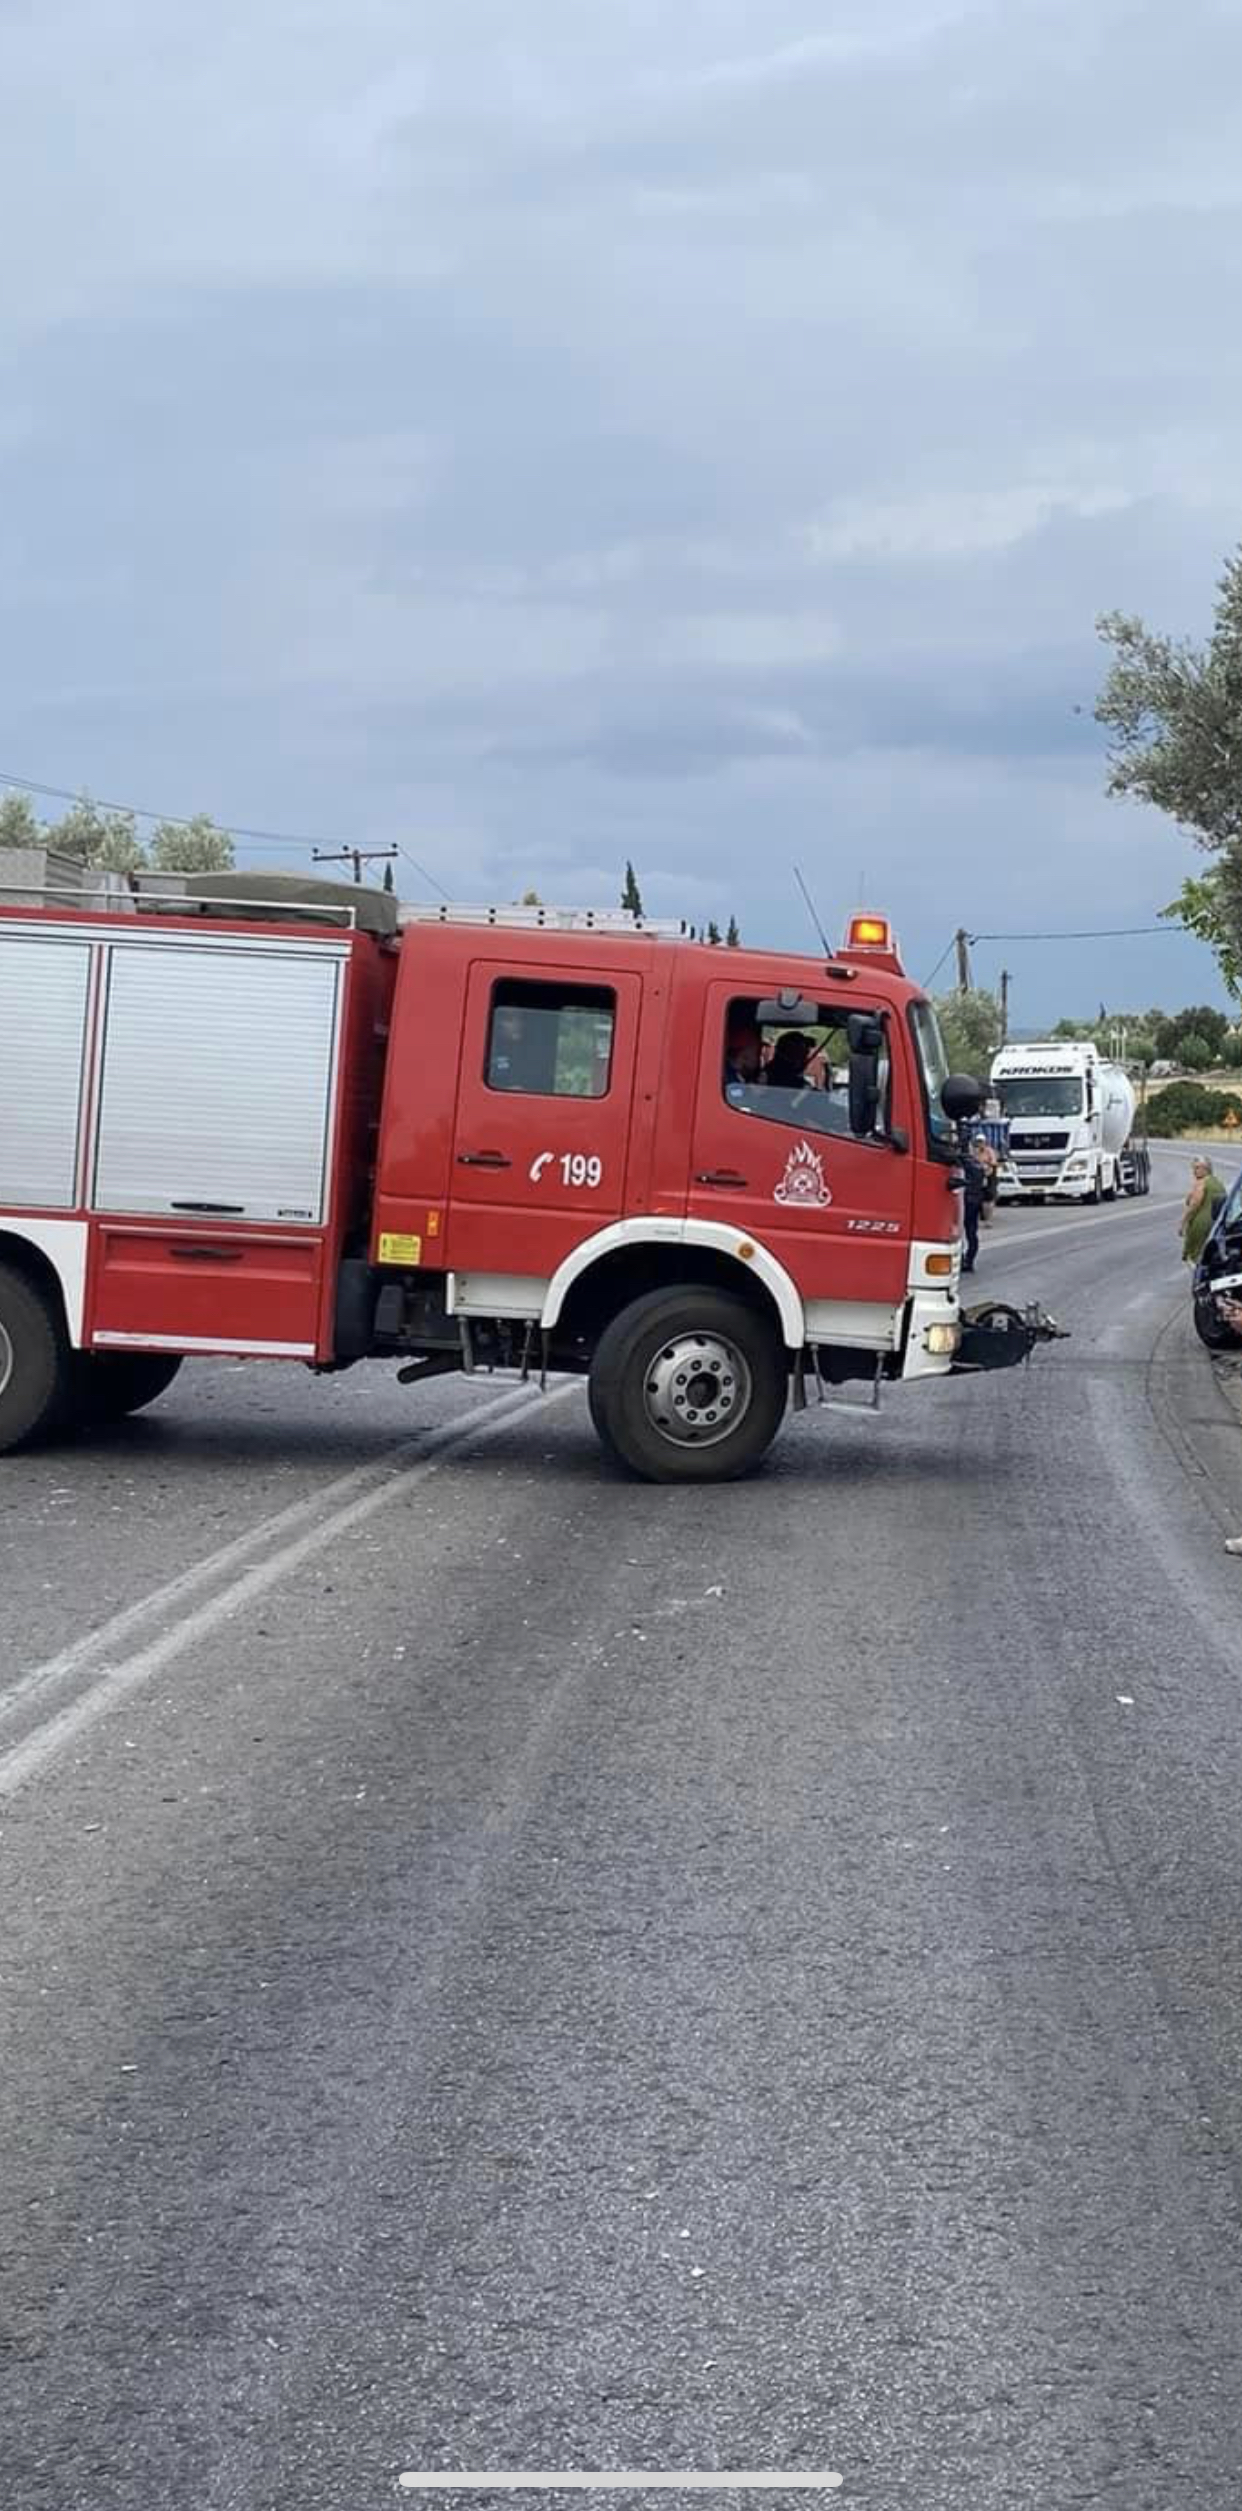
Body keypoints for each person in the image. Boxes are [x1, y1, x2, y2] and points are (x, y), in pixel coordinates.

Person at [1181, 1156, 1227, 1266]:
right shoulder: (1218, 1183)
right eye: (1193, 1168)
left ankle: (1198, 1279)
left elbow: (1195, 1204)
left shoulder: (1201, 1182)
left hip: (1200, 1226)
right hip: (1215, 1225)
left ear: (1206, 1169)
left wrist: (1183, 1223)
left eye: (1197, 1168)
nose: (1194, 1171)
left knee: (1193, 1257)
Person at [960, 1136, 987, 1273]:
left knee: (960, 1232)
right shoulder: (978, 1165)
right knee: (971, 1232)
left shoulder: (966, 1163)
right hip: (975, 1200)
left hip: (966, 1200)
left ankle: (964, 1259)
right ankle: (969, 1260)